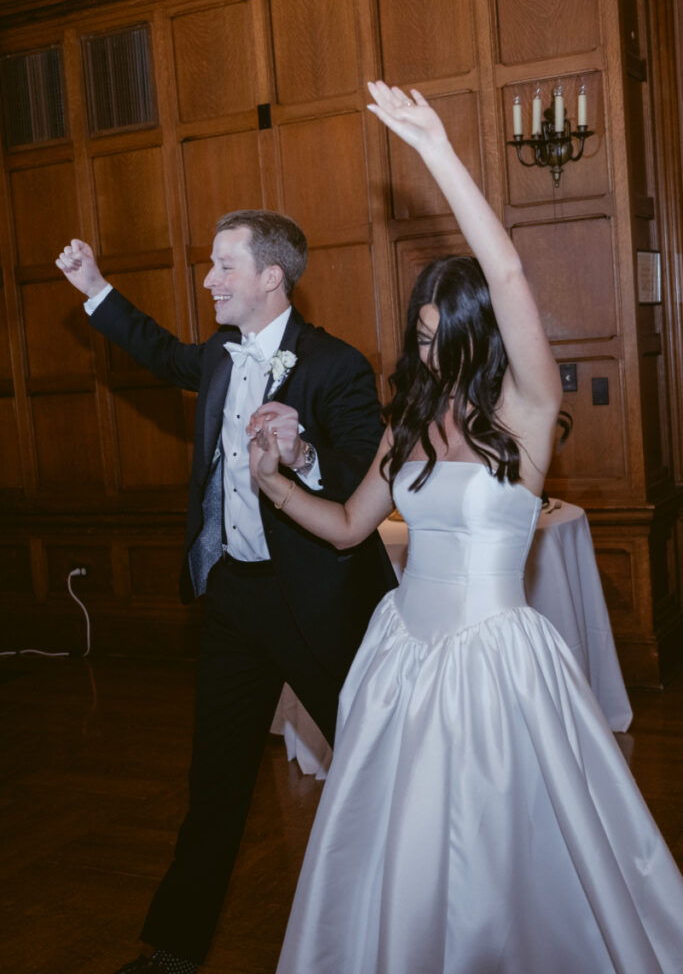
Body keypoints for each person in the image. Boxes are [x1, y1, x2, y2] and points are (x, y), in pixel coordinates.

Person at [248, 82, 683, 973]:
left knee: (507, 855)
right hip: (403, 656)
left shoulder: (525, 414)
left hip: (494, 663)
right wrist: (278, 482)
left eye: (439, 330)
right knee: (395, 858)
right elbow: (343, 528)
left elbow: (511, 273)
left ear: (479, 333)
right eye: (415, 331)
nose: (422, 347)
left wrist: (435, 152)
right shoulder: (403, 425)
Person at [55, 210, 396, 974]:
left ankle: (415, 927)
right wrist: (95, 288)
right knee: (213, 781)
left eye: (223, 267)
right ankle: (172, 948)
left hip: (322, 601)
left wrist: (302, 449)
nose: (208, 280)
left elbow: (364, 480)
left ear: (270, 277)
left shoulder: (336, 366)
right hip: (236, 601)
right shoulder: (215, 354)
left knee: (380, 765)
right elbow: (158, 352)